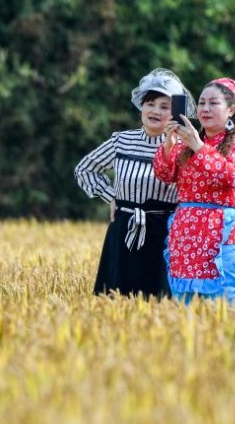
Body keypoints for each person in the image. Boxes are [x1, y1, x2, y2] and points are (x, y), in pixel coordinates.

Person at [75, 68, 196, 297]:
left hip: (164, 232)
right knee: (116, 298)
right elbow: (85, 169)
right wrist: (110, 197)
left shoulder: (183, 146)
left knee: (159, 299)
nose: (155, 111)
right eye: (150, 104)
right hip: (124, 228)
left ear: (175, 113)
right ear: (141, 106)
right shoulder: (121, 141)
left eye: (164, 106)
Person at [153, 78, 235, 304]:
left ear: (231, 109)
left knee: (224, 303)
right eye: (201, 103)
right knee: (184, 302)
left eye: (213, 103)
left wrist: (198, 146)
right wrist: (169, 143)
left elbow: (231, 177)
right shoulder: (184, 145)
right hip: (186, 233)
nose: (205, 109)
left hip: (222, 231)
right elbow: (164, 174)